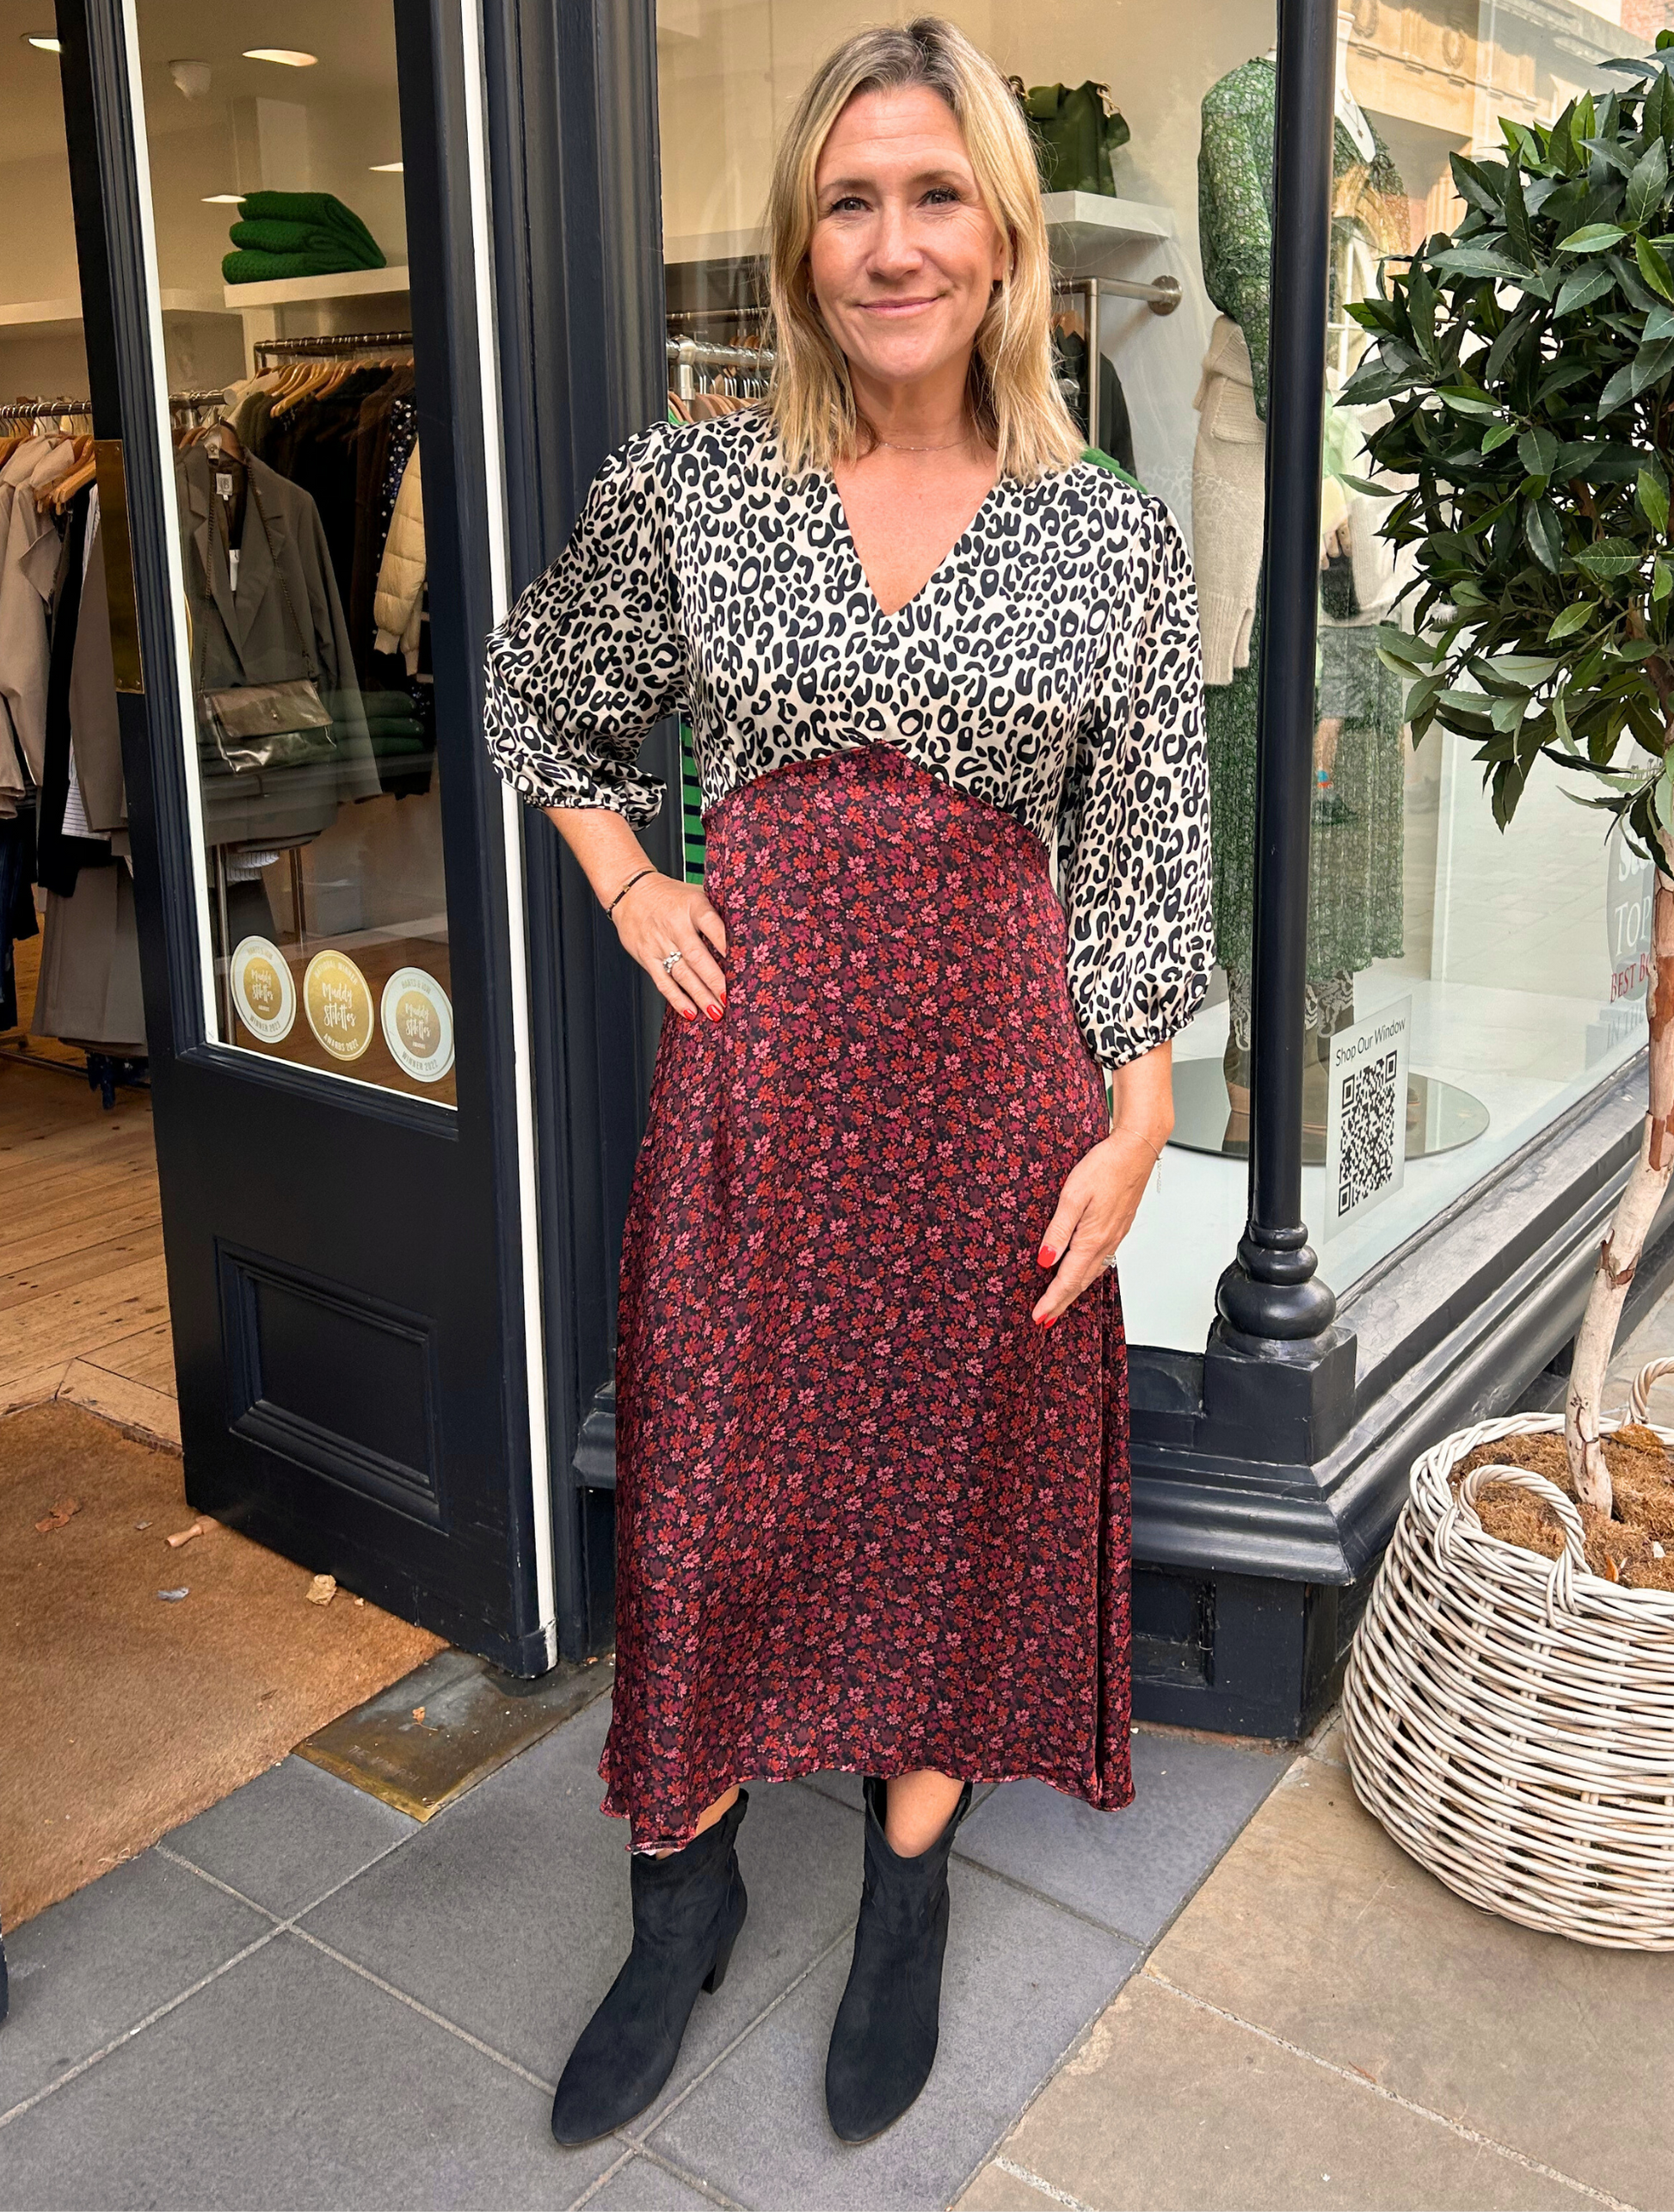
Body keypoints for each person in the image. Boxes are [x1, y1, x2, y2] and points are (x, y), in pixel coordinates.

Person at [483, 14, 1212, 2150]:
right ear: (802, 246)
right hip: (758, 1104)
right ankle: (678, 1887)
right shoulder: (692, 485)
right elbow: (545, 695)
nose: (891, 243)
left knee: (957, 1497)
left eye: (932, 195)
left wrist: (1142, 1110)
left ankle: (903, 1896)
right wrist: (629, 891)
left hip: (999, 1106)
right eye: (847, 200)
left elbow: (1147, 845)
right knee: (708, 1498)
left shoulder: (1107, 542)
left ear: (998, 234)